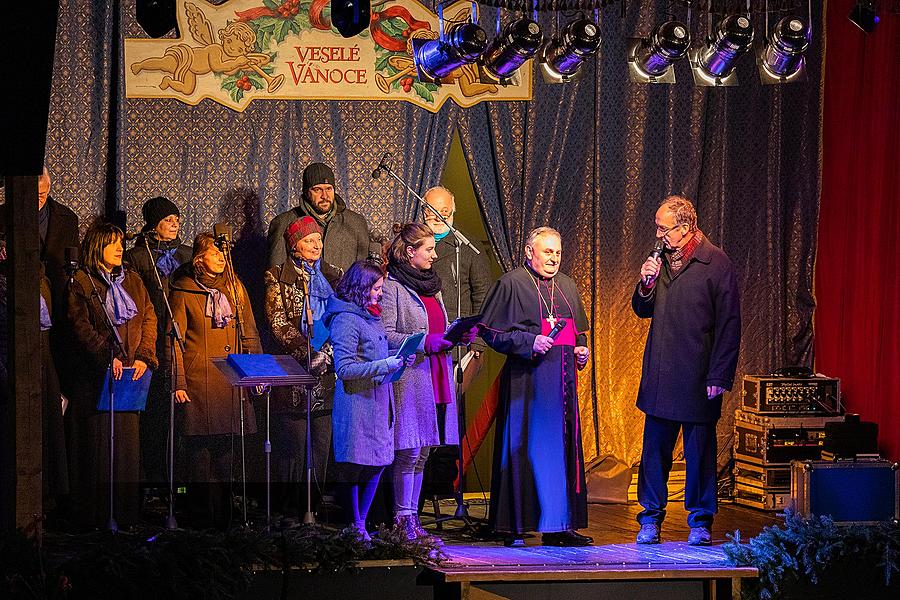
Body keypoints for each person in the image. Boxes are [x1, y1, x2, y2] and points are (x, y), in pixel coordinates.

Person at [632, 195, 741, 546]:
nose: (659, 234)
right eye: (657, 227)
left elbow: (729, 325)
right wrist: (645, 283)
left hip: (698, 375)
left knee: (699, 454)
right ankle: (650, 517)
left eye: (664, 228)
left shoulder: (716, 263)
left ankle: (700, 520)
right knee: (654, 453)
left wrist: (719, 375)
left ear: (685, 227)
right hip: (661, 372)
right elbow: (642, 309)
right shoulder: (660, 260)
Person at [479, 227, 592, 547]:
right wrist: (529, 341)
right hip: (526, 387)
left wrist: (581, 351)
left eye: (557, 253)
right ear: (529, 252)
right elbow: (490, 332)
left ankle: (560, 526)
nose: (554, 259)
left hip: (562, 389)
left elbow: (577, 332)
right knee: (523, 451)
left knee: (561, 455)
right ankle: (515, 526)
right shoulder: (511, 283)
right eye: (547, 252)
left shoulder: (567, 285)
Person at [380, 223, 476, 540]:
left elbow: (442, 328)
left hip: (436, 375)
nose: (435, 255)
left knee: (423, 452)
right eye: (429, 249)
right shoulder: (393, 286)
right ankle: (401, 518)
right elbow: (387, 335)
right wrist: (424, 342)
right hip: (411, 377)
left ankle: (412, 517)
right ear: (410, 252)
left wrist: (458, 335)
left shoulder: (431, 286)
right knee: (408, 451)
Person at [66, 222, 157, 528]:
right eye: (112, 244)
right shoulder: (82, 281)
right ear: (97, 247)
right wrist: (108, 356)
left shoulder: (133, 279)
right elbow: (79, 325)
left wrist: (144, 356)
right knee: (99, 448)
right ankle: (95, 518)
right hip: (96, 379)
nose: (120, 249)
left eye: (121, 243)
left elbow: (148, 317)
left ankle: (126, 515)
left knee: (126, 451)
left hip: (131, 376)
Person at [170, 233, 262, 529]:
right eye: (214, 252)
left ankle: (226, 520)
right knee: (201, 458)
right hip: (199, 383)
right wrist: (178, 382)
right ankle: (201, 520)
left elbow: (250, 333)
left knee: (227, 456)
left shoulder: (235, 288)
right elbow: (175, 341)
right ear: (199, 258)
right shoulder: (183, 290)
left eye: (224, 251)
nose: (222, 256)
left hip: (231, 382)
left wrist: (256, 373)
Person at [322, 260, 414, 541]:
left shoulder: (371, 317)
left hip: (379, 401)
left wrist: (400, 358)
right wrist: (385, 363)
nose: (380, 293)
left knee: (378, 462)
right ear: (360, 287)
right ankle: (355, 523)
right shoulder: (346, 319)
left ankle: (361, 522)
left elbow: (378, 355)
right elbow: (345, 369)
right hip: (357, 403)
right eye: (375, 288)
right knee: (354, 464)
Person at [263, 216, 341, 517]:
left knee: (321, 446)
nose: (316, 245)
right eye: (309, 240)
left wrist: (328, 354)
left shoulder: (334, 275)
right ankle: (288, 511)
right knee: (293, 446)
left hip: (327, 371)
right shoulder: (276, 277)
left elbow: (343, 318)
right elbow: (278, 323)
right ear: (294, 246)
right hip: (294, 373)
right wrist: (309, 354)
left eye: (319, 240)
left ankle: (313, 508)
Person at [124, 196, 192, 486]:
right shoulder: (138, 256)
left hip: (182, 338)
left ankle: (181, 481)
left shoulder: (188, 255)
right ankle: (152, 477)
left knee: (181, 416)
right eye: (167, 220)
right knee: (153, 414)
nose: (174, 223)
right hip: (152, 337)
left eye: (176, 218)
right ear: (153, 225)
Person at [267, 162, 371, 271]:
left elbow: (364, 274)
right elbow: (275, 275)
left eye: (329, 189)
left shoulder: (355, 223)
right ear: (307, 192)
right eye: (317, 190)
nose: (324, 196)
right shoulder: (284, 222)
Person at [421, 186, 491, 322]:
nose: (438, 216)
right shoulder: (410, 243)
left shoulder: (469, 245)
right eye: (432, 211)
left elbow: (482, 295)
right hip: (421, 326)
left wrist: (476, 337)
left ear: (453, 211)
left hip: (456, 327)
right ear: (424, 212)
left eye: (444, 211)